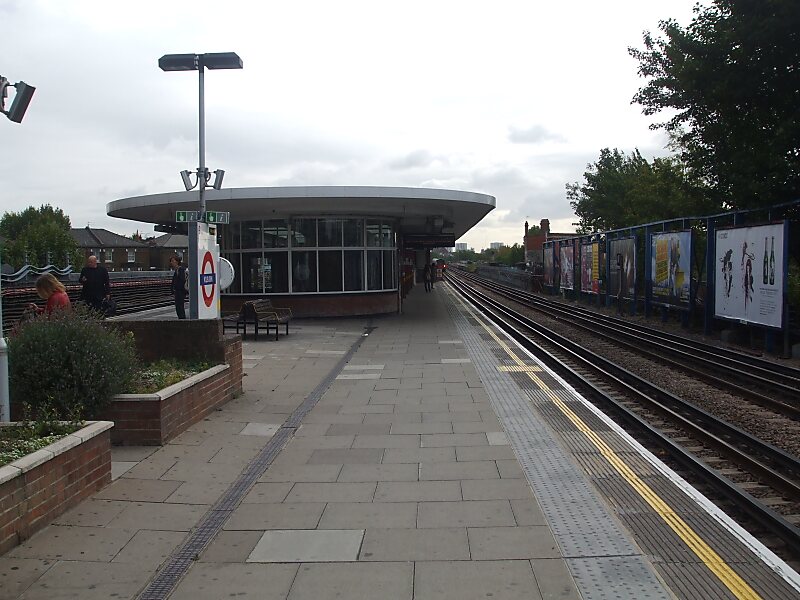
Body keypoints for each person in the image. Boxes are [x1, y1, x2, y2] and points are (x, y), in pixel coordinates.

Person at [169, 255, 188, 319]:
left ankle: (182, 319)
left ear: (177, 262)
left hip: (180, 292)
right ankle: (181, 318)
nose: (171, 262)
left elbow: (182, 280)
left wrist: (178, 289)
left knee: (180, 306)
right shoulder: (177, 270)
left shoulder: (181, 270)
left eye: (173, 261)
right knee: (178, 306)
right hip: (178, 291)